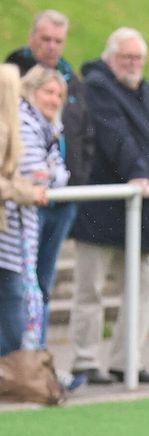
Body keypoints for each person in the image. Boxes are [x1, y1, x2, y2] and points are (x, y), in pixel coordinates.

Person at [68, 28, 149, 385]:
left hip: (136, 214)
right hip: (102, 209)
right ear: (111, 58)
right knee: (91, 287)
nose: (132, 64)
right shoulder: (98, 87)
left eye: (138, 58)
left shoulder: (144, 89)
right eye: (126, 57)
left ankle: (125, 359)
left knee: (144, 283)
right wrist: (137, 172)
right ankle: (84, 361)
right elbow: (116, 137)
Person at [6, 9, 96, 348]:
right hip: (21, 206)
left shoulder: (70, 79)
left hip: (60, 200)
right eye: (45, 39)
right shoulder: (12, 74)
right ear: (32, 38)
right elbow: (26, 161)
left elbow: (83, 135)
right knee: (17, 285)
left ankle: (35, 357)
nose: (51, 46)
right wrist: (38, 180)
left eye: (58, 40)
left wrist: (72, 180)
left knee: (41, 283)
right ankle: (17, 358)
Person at [0, 64, 50, 357]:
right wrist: (27, 192)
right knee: (12, 310)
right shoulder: (3, 128)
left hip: (9, 236)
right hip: (5, 239)